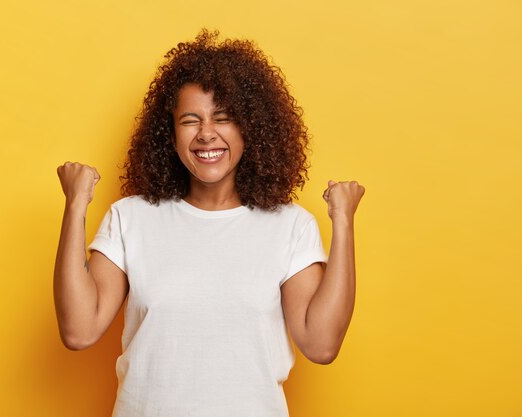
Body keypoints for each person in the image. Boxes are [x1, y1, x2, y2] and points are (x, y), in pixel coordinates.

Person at [54, 29, 365, 417]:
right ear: (170, 134)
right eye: (190, 120)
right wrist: (76, 206)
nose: (206, 133)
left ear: (250, 129)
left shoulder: (290, 226)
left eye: (223, 118)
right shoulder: (131, 217)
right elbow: (79, 331)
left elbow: (321, 345)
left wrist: (343, 222)